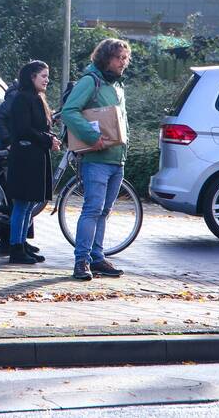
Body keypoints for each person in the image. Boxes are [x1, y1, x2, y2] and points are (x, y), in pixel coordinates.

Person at [61, 38, 131, 281]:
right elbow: (69, 111)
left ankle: (97, 258)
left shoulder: (117, 85)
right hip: (96, 159)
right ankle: (81, 261)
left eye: (125, 58)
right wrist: (92, 137)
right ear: (105, 58)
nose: (123, 62)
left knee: (104, 211)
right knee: (93, 209)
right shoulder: (91, 81)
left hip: (117, 159)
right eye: (119, 58)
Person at [5, 60, 60, 265]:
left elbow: (39, 128)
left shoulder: (37, 98)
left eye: (47, 76)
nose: (47, 80)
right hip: (25, 157)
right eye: (43, 76)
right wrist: (47, 139)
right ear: (32, 77)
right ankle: (15, 248)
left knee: (29, 204)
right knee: (22, 203)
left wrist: (51, 138)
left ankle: (21, 243)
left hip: (35, 156)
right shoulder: (22, 99)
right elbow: (24, 129)